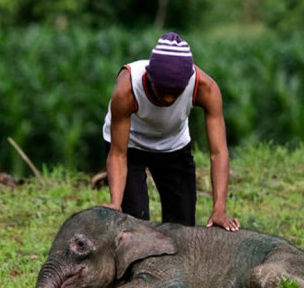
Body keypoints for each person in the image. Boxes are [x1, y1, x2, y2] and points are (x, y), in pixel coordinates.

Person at [102, 32, 240, 231]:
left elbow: (218, 152)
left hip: (172, 145)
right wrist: (116, 204)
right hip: (130, 144)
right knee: (135, 224)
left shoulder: (205, 88)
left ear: (187, 82)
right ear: (150, 77)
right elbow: (118, 154)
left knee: (182, 227)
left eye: (175, 93)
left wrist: (219, 208)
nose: (168, 99)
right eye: (162, 91)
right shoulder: (127, 90)